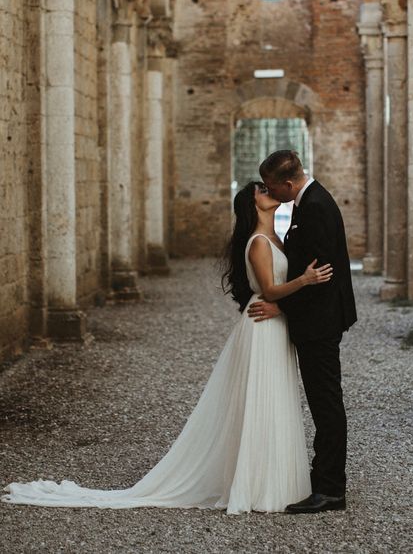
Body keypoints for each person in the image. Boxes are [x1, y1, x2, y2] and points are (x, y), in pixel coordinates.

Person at [2, 181, 331, 514]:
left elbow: (276, 294)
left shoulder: (278, 235)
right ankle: (257, 484)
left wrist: (292, 298)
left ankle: (273, 478)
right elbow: (271, 291)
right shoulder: (258, 243)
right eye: (262, 190)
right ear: (252, 204)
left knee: (274, 396)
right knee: (260, 398)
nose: (269, 190)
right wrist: (305, 280)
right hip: (262, 325)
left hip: (273, 323)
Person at [248, 150, 357, 514]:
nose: (269, 191)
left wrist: (281, 305)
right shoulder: (307, 201)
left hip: (320, 322)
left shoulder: (316, 207)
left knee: (326, 405)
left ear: (289, 184)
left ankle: (330, 489)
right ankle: (321, 476)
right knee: (322, 402)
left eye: (272, 186)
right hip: (316, 319)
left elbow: (322, 277)